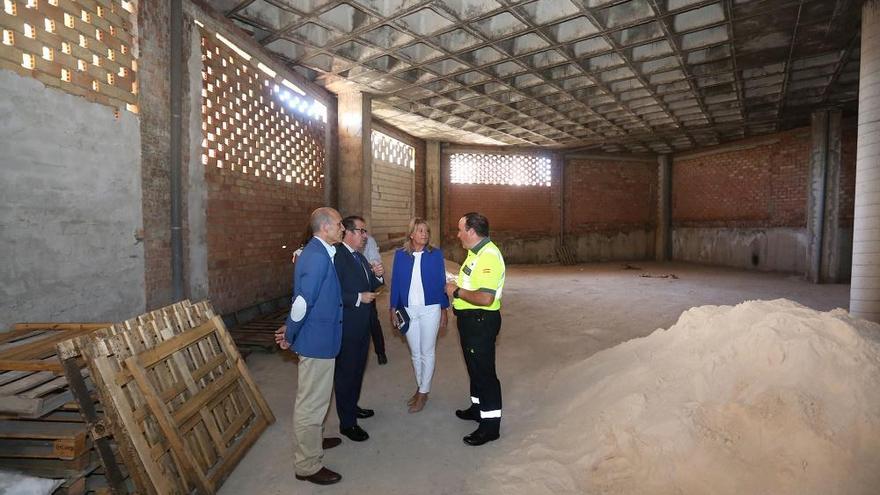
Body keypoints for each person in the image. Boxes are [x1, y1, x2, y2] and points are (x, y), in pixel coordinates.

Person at [274, 207, 345, 485]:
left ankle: (314, 441)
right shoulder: (316, 257)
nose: (342, 228)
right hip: (316, 342)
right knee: (311, 404)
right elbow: (303, 302)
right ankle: (307, 465)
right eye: (339, 224)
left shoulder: (319, 252)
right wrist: (290, 334)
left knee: (318, 399)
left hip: (322, 339)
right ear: (325, 227)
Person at [445, 212, 506, 446]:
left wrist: (456, 292)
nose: (458, 234)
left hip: (481, 320)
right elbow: (471, 281)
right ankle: (477, 408)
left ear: (471, 231)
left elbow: (485, 298)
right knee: (473, 366)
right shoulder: (474, 253)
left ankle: (490, 427)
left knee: (485, 373)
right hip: (469, 320)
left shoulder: (489, 256)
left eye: (461, 229)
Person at [389, 218, 449, 413]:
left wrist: (444, 309)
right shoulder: (400, 255)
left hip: (430, 308)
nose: (425, 234)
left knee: (427, 351)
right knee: (415, 353)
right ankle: (421, 386)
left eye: (426, 231)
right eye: (420, 231)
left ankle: (423, 392)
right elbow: (396, 283)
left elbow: (442, 282)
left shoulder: (436, 254)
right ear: (412, 234)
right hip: (407, 309)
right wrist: (393, 308)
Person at [333, 215, 385, 442]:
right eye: (362, 231)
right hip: (347, 325)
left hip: (363, 325)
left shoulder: (360, 258)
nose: (365, 236)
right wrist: (357, 298)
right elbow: (331, 293)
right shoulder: (338, 256)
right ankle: (347, 423)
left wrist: (379, 275)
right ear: (348, 232)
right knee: (346, 374)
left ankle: (352, 407)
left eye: (365, 232)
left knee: (357, 370)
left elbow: (372, 285)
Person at [362, 234, 388, 365]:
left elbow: (375, 260)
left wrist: (373, 268)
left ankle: (380, 352)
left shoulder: (369, 240)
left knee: (372, 319)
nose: (363, 234)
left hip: (367, 284)